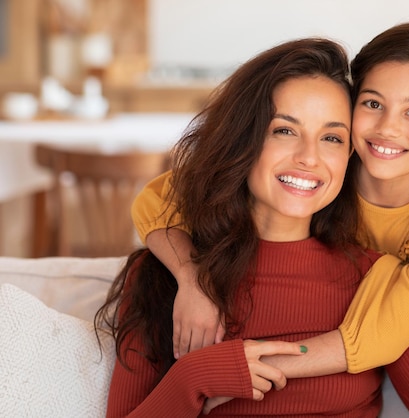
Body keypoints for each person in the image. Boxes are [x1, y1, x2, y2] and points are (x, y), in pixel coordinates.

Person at [130, 21, 409, 416]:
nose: (387, 128)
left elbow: (386, 338)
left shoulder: (390, 273)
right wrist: (193, 281)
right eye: (373, 103)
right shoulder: (321, 184)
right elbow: (158, 196)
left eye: (330, 137)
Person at [96, 38, 386, 416]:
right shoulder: (162, 275)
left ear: (349, 155)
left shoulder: (375, 279)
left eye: (331, 138)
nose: (309, 157)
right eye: (284, 130)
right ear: (243, 138)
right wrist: (195, 377)